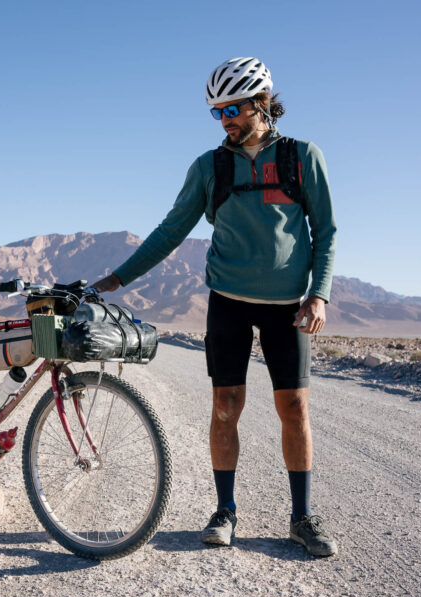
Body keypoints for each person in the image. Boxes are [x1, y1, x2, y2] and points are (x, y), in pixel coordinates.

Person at [92, 57, 338, 556]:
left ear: (262, 103)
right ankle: (224, 510)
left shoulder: (301, 156)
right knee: (226, 407)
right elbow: (171, 230)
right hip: (228, 301)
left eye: (233, 108)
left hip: (288, 306)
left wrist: (320, 293)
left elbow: (326, 230)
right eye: (216, 111)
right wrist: (119, 277)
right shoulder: (209, 167)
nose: (225, 119)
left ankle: (302, 517)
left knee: (293, 408)